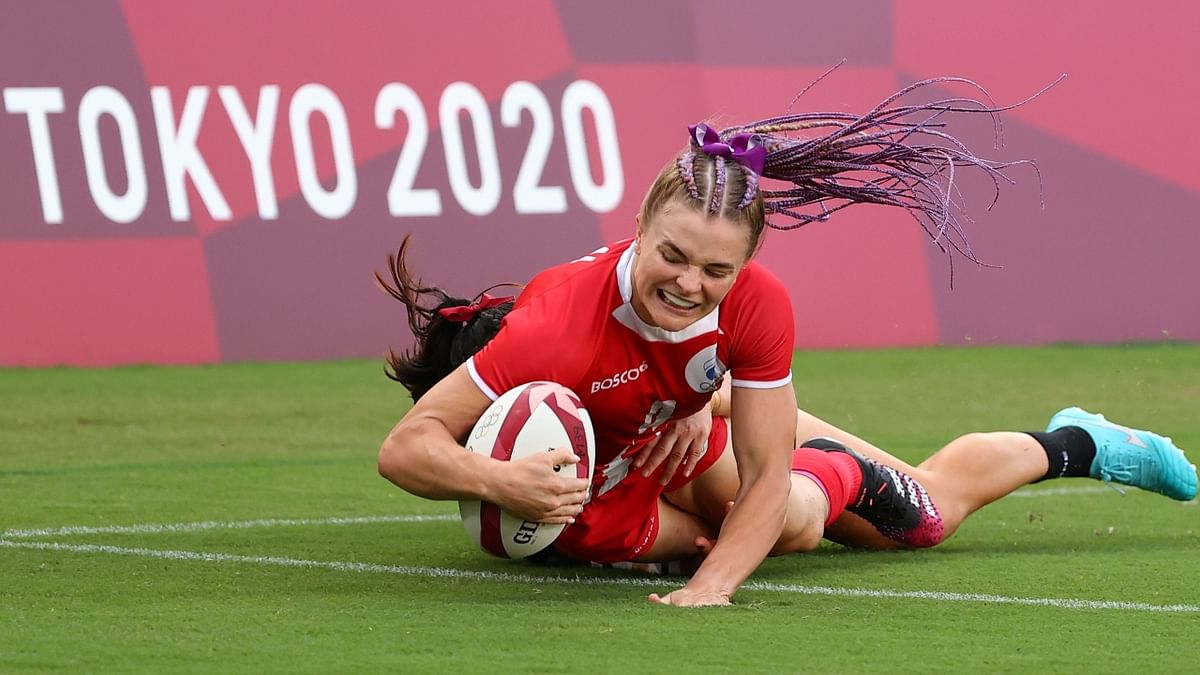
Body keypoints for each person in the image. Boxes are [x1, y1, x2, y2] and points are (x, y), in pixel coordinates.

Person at [375, 76, 1197, 606]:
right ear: (637, 227)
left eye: (716, 268)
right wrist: (504, 482)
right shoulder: (556, 331)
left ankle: (1081, 442)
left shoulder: (759, 306)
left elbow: (767, 470)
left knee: (892, 517)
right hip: (649, 433)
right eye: (672, 255)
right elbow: (406, 447)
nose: (689, 284)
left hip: (711, 425)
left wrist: (715, 584)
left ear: (748, 263)